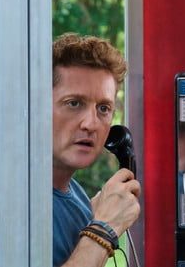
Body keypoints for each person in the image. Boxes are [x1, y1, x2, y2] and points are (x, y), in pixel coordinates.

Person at [52, 33, 141, 267]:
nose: (91, 124)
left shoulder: (77, 197)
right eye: (74, 103)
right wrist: (104, 228)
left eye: (103, 108)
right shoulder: (19, 200)